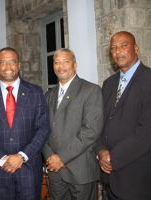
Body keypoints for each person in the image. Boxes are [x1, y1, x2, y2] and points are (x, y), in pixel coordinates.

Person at [0, 47, 50, 200]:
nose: (8, 66)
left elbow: (43, 128)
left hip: (28, 169)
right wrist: (2, 158)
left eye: (12, 62)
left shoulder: (35, 92)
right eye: (3, 62)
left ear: (19, 65)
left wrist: (22, 156)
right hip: (0, 170)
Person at [96, 31, 151, 200]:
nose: (118, 51)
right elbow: (101, 122)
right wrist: (101, 150)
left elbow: (149, 132)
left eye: (123, 45)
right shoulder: (109, 83)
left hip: (137, 175)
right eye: (113, 48)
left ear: (136, 48)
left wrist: (113, 158)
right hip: (110, 176)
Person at [42, 48, 103, 200]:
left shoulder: (91, 90)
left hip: (80, 171)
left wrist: (61, 158)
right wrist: (50, 157)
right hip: (55, 171)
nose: (60, 66)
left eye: (65, 62)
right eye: (56, 62)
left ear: (75, 65)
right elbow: (42, 130)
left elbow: (91, 131)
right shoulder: (48, 95)